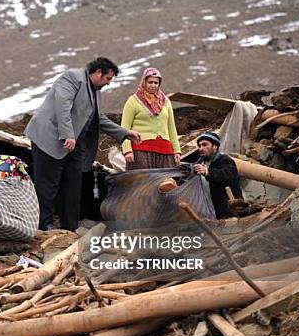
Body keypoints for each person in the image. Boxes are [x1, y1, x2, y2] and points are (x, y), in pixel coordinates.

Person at [24, 57, 141, 231]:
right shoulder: (72, 78)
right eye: (108, 79)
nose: (108, 83)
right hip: (50, 140)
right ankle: (44, 225)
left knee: (72, 185)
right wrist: (67, 135)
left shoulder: (95, 91)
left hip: (75, 145)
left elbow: (98, 118)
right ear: (98, 73)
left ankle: (70, 227)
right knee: (48, 185)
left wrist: (124, 133)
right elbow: (62, 106)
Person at [121, 67, 181, 169]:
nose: (153, 85)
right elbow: (124, 128)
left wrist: (177, 150)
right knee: (142, 182)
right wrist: (127, 150)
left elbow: (171, 128)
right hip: (141, 150)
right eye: (150, 82)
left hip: (165, 150)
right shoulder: (133, 101)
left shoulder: (166, 102)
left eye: (156, 83)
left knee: (167, 181)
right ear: (144, 82)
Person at [193, 131, 243, 219]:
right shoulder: (198, 164)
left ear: (215, 146)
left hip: (228, 211)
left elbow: (229, 177)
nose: (201, 148)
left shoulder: (225, 160)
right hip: (207, 213)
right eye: (199, 146)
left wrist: (208, 172)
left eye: (205, 145)